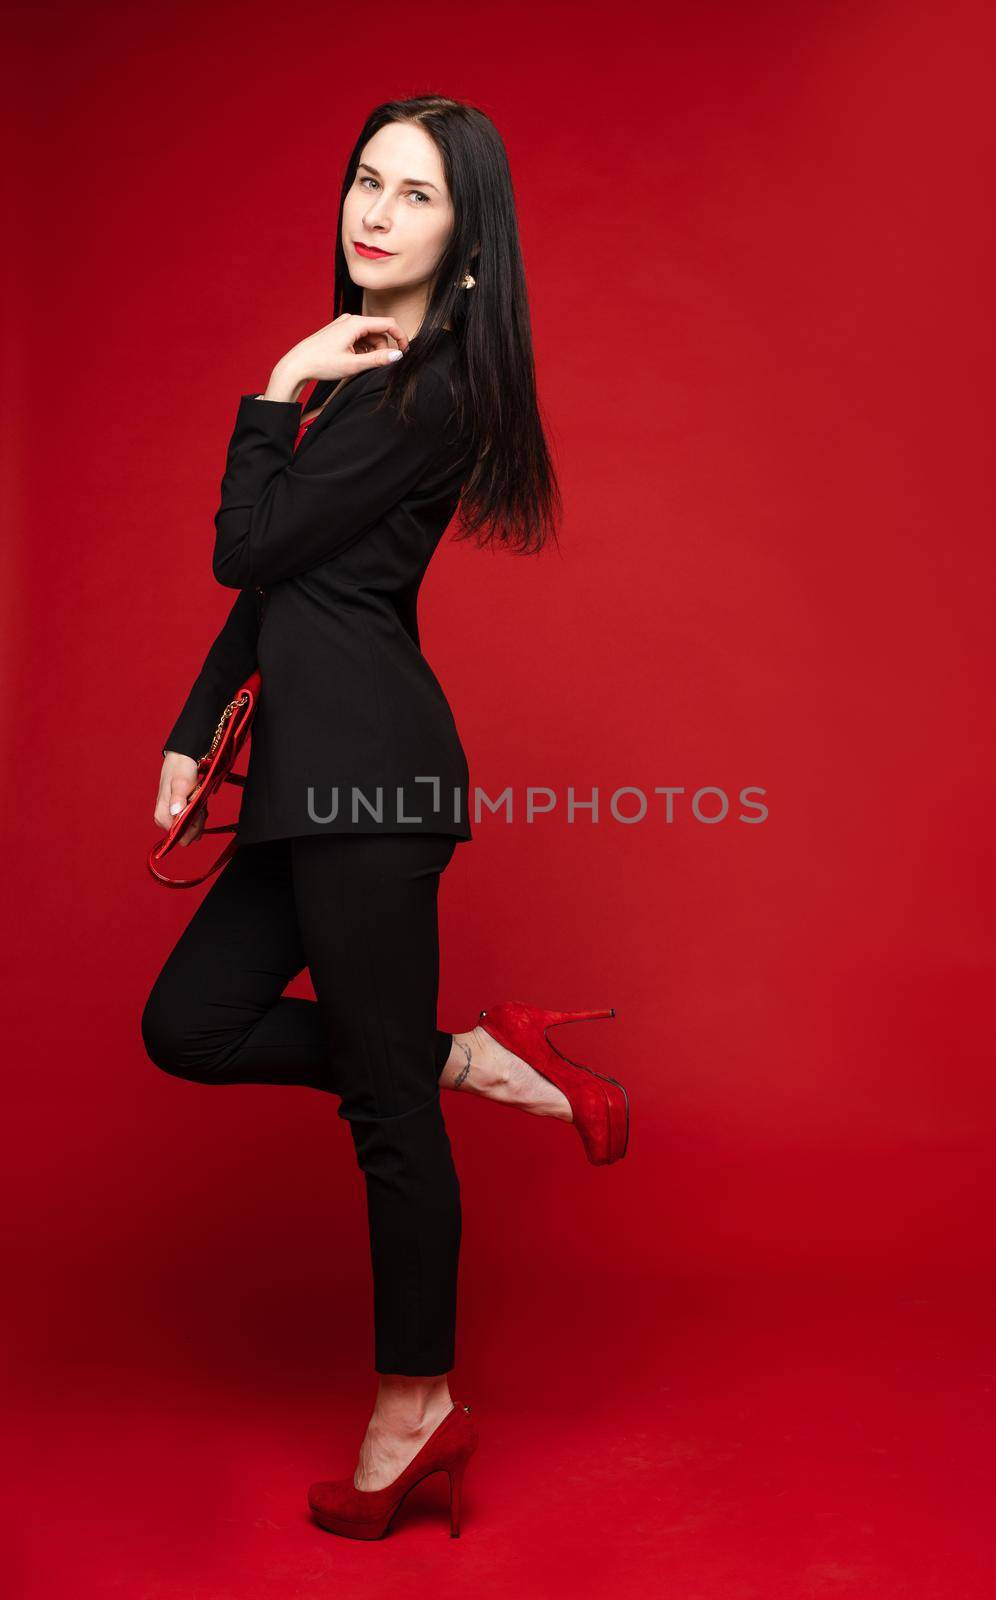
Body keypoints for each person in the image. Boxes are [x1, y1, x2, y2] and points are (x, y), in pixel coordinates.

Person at [141, 95, 630, 1541]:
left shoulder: (429, 393)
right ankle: (479, 1054)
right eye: (366, 180)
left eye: (416, 194)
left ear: (467, 242)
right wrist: (190, 731)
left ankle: (414, 1409)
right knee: (191, 1027)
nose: (376, 210)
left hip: (369, 781)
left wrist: (273, 380)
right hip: (311, 776)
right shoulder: (363, 381)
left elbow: (247, 539)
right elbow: (285, 586)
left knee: (385, 1114)